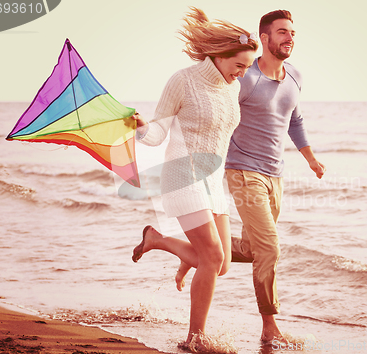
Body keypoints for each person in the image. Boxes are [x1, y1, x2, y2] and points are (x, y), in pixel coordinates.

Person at [174, 9, 326, 344]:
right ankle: (269, 327)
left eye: (293, 33)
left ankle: (188, 252)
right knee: (270, 247)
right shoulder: (245, 78)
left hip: (276, 175)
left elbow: (295, 121)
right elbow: (219, 116)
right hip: (243, 172)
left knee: (255, 249)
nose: (289, 38)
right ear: (266, 38)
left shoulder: (295, 77)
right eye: (282, 32)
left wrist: (311, 159)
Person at [130, 7, 258, 349]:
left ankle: (157, 240)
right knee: (212, 258)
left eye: (247, 68)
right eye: (239, 66)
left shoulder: (231, 89)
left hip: (213, 183)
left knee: (223, 265)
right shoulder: (183, 80)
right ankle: (194, 338)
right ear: (219, 55)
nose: (242, 74)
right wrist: (141, 127)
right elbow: (158, 135)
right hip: (182, 175)